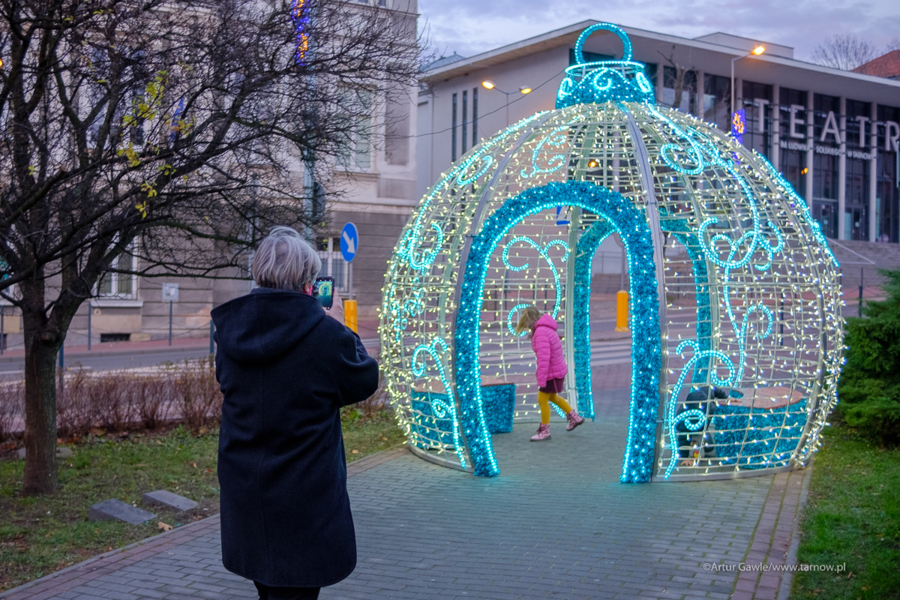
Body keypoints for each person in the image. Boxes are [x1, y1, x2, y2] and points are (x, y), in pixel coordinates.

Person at [211, 226, 379, 600]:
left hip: (246, 492)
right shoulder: (323, 334)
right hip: (304, 499)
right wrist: (339, 327)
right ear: (307, 283)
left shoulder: (231, 330)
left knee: (267, 588)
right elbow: (364, 379)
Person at [515, 306, 584, 441]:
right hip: (556, 370)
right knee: (552, 397)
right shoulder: (545, 328)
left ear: (531, 320)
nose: (526, 326)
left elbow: (544, 358)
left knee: (542, 399)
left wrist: (542, 379)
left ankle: (545, 431)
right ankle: (575, 417)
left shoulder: (541, 332)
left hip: (551, 372)